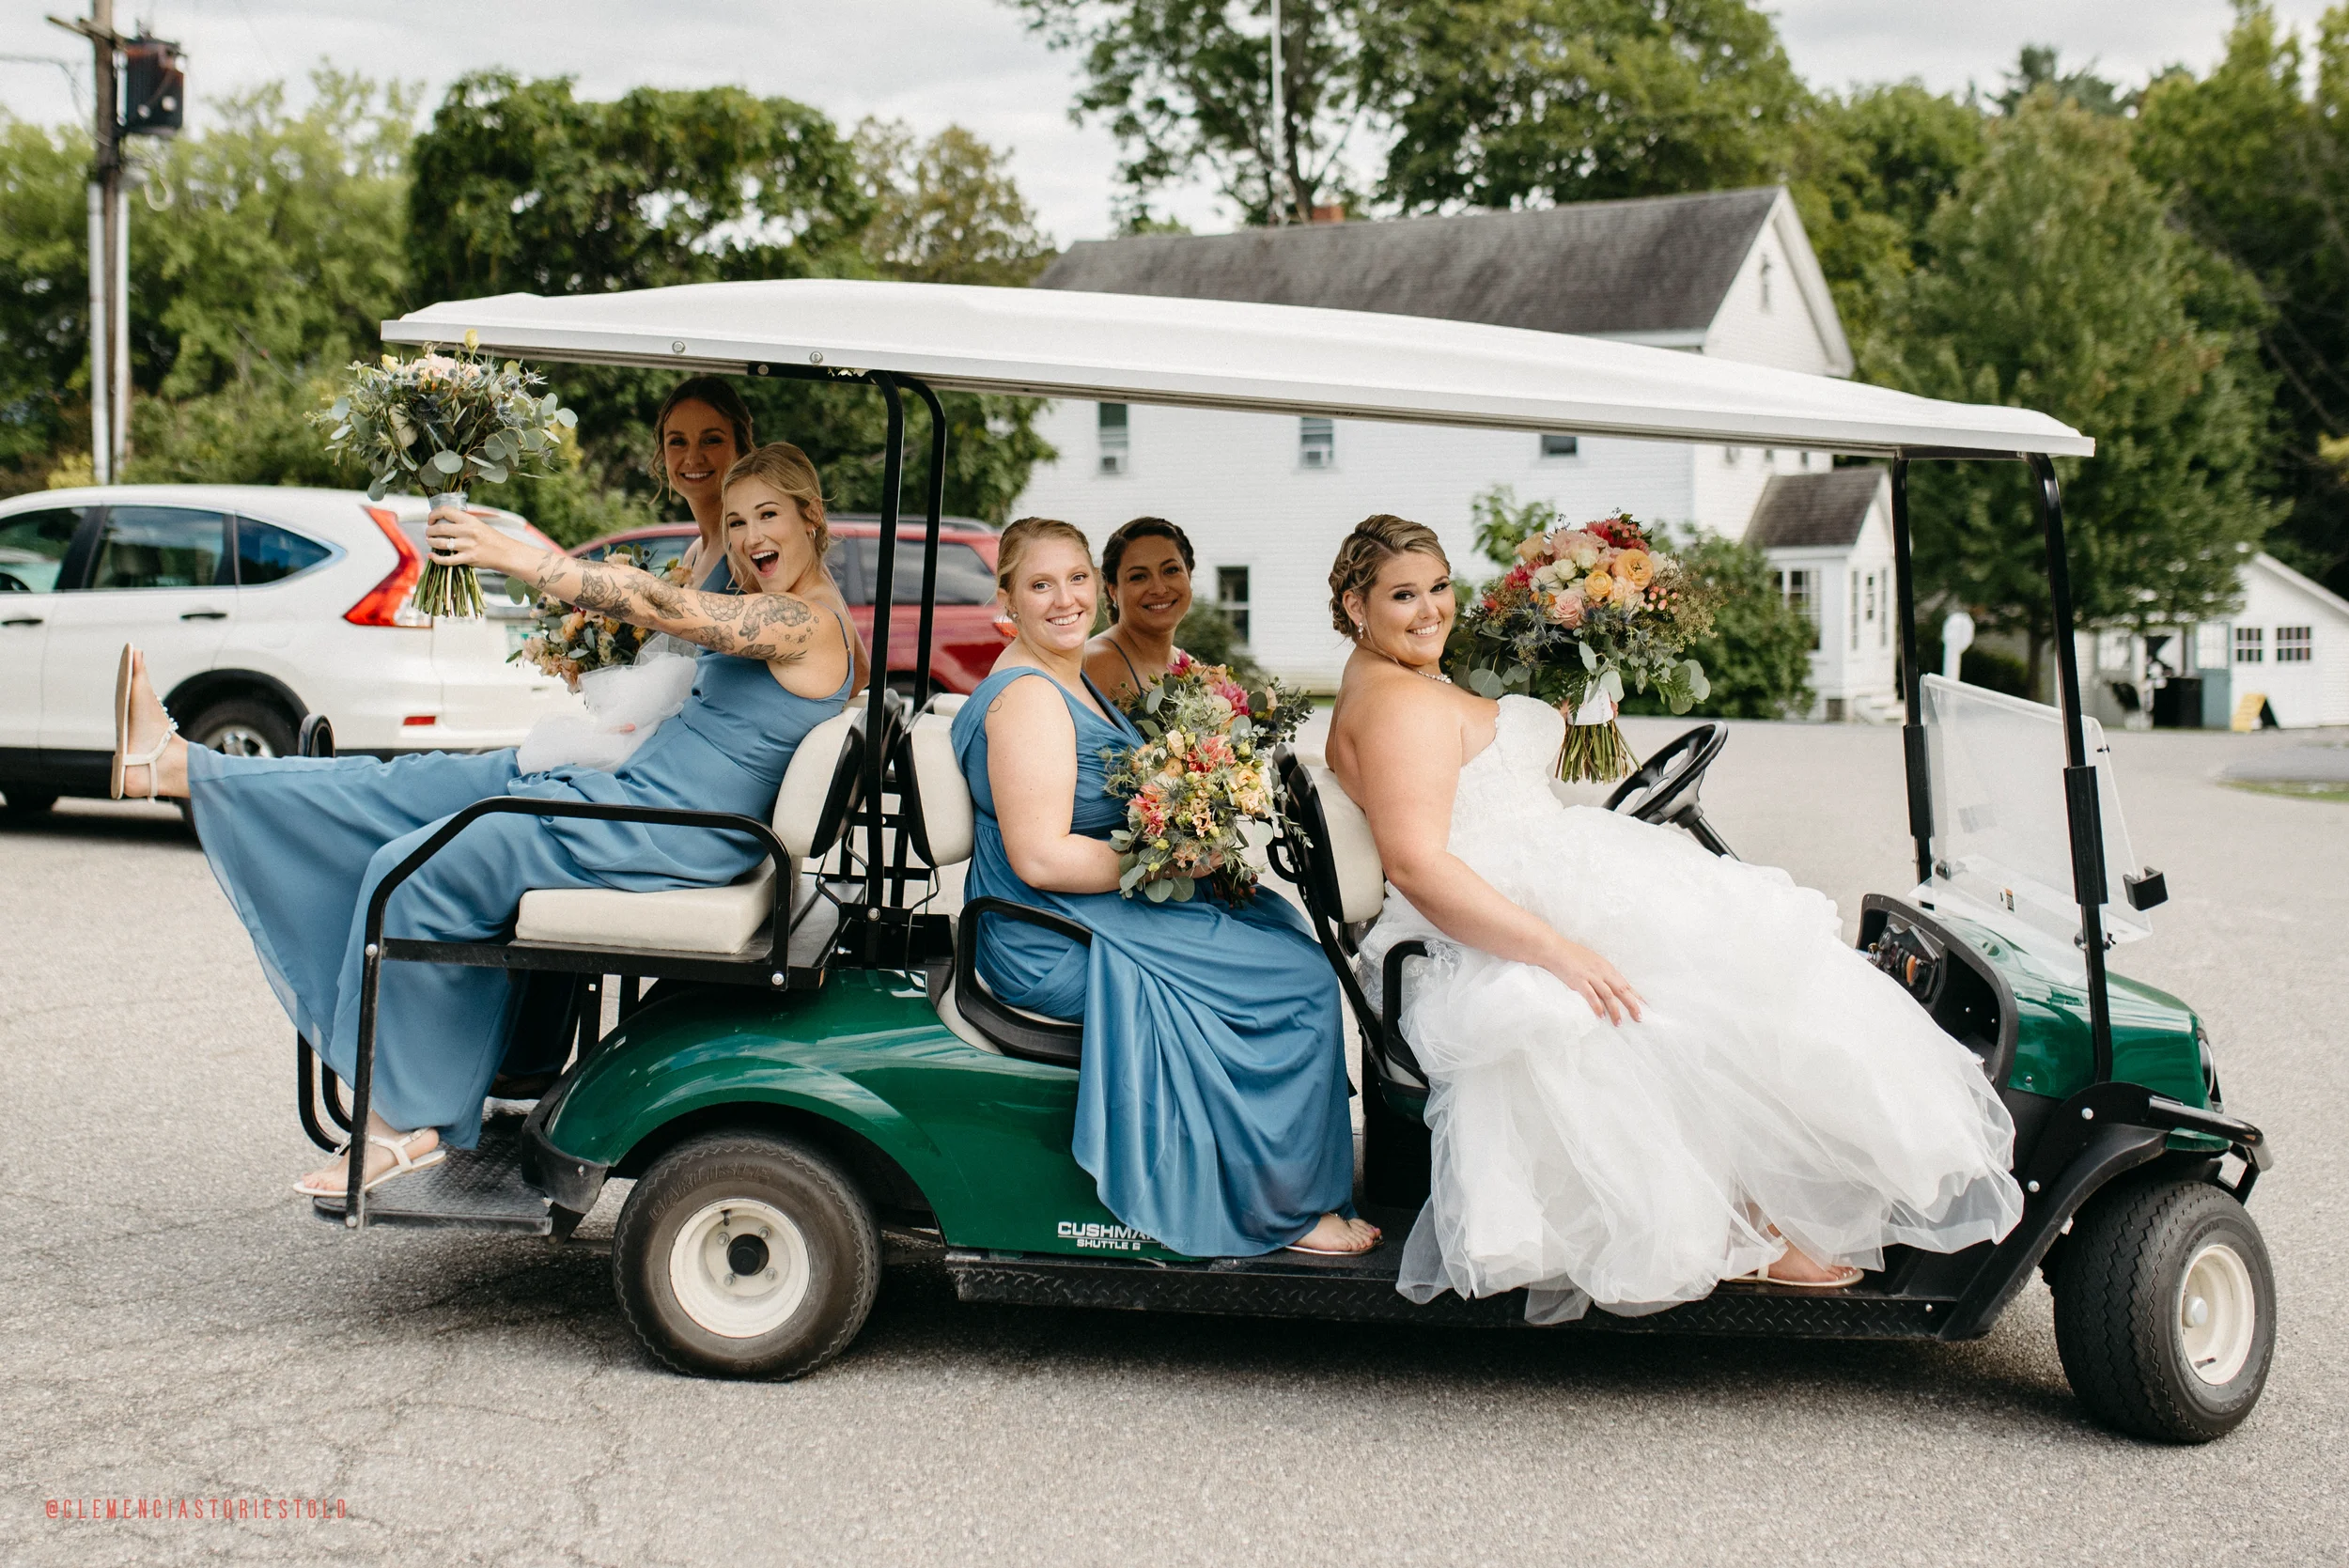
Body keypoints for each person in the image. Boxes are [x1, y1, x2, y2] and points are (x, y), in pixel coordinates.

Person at [108, 443, 863, 1200]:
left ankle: (405, 1122)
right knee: (412, 780)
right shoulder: (770, 585)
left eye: (768, 515)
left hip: (660, 828)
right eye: (736, 521)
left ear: (811, 517)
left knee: (413, 871)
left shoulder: (807, 624)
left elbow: (662, 604)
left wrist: (515, 555)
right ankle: (178, 766)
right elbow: (700, 556)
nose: (747, 535)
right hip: (636, 794)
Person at [1320, 514, 2023, 1322]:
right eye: (1403, 595)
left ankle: (1768, 1203)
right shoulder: (1401, 705)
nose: (1431, 609)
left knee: (1738, 946)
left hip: (1523, 874)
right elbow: (1418, 863)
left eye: (1438, 586)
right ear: (1356, 603)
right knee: (1707, 975)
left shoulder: (1388, 680)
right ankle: (1752, 1224)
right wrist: (1558, 951)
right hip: (1492, 910)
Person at [951, 518, 1376, 1259]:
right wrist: (1171, 860)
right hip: (1048, 928)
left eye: (1076, 579)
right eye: (1041, 584)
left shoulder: (1066, 675)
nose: (1065, 598)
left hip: (1082, 907)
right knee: (1301, 979)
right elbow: (1042, 857)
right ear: (1008, 597)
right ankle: (1289, 1206)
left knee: (1274, 924)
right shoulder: (1029, 699)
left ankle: (1282, 1167)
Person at [653, 376, 757, 590]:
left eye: (711, 440)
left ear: (741, 450)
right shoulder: (694, 554)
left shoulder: (749, 547)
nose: (693, 458)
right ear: (663, 454)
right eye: (678, 442)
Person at [1082, 516, 1194, 706]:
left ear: (1189, 574)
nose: (1159, 589)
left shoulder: (1192, 668)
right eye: (1139, 577)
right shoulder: (1094, 664)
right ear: (1113, 590)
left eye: (1171, 570)